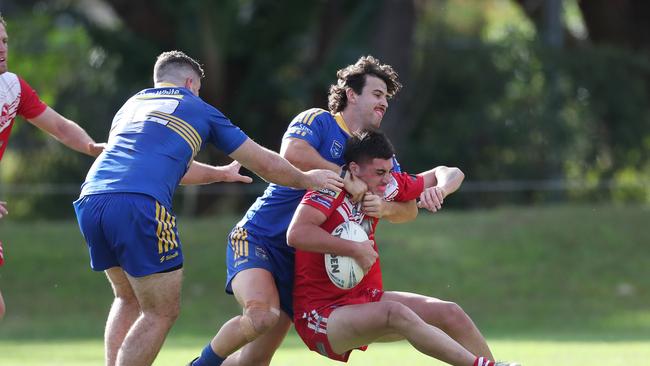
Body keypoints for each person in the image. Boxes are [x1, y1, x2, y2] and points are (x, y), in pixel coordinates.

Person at [73, 50, 343, 366]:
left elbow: (166, 164)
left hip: (92, 199)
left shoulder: (131, 107)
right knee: (160, 311)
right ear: (191, 83)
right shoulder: (197, 108)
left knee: (127, 297)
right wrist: (305, 179)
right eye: (198, 89)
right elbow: (263, 161)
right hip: (140, 205)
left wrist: (218, 174)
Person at [188, 55, 426, 366]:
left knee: (256, 359)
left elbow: (408, 211)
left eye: (386, 98)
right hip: (260, 238)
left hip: (300, 258)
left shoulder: (377, 154)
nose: (384, 104)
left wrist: (384, 208)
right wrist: (343, 177)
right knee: (261, 314)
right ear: (352, 94)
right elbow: (292, 153)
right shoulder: (319, 121)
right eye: (377, 94)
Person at [287, 129, 519, 366]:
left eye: (389, 171)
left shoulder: (386, 185)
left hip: (364, 300)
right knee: (394, 313)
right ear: (354, 169)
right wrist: (354, 249)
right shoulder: (329, 188)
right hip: (321, 316)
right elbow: (296, 233)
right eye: (380, 172)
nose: (388, 179)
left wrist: (440, 190)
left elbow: (450, 172)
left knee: (451, 313)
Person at [0, 14, 103, 321]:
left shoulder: (11, 88)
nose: (2, 48)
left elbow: (59, 126)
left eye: (4, 40)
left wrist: (91, 147)